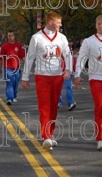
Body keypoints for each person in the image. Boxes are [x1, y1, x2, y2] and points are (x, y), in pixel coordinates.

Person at [21, 12, 72, 150]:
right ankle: (46, 136)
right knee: (44, 106)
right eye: (58, 22)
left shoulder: (61, 38)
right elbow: (30, 57)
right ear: (50, 22)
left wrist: (68, 70)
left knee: (54, 106)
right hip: (42, 76)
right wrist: (25, 77)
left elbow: (67, 54)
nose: (60, 25)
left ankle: (51, 133)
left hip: (57, 76)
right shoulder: (36, 38)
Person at [74, 15, 102, 151]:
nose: (101, 26)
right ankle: (101, 138)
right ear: (95, 25)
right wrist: (77, 74)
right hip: (96, 78)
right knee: (100, 106)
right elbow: (81, 58)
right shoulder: (89, 41)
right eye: (99, 24)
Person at [0, 30, 25, 105]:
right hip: (7, 67)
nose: (10, 37)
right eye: (9, 36)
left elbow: (22, 56)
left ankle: (14, 96)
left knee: (15, 83)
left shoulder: (18, 45)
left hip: (17, 68)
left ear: (14, 36)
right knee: (9, 83)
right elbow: (1, 58)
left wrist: (27, 65)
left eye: (11, 36)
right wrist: (0, 67)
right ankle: (9, 98)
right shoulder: (4, 46)